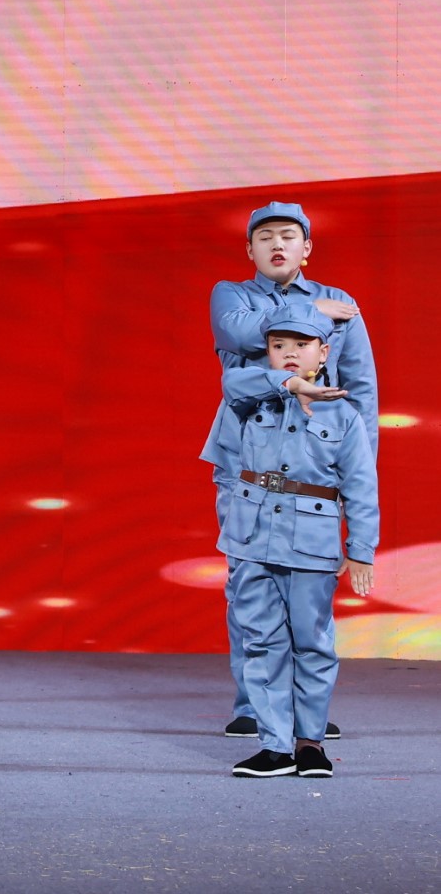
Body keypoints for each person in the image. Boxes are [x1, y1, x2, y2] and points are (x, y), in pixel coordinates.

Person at [201, 202, 377, 741]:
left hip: (316, 459)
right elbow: (237, 335)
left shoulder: (342, 300)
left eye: (288, 236)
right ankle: (254, 707)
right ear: (249, 250)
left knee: (309, 597)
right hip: (244, 458)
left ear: (307, 248)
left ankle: (305, 716)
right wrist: (315, 310)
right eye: (265, 237)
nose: (277, 244)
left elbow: (360, 386)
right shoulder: (233, 295)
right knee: (248, 585)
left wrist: (358, 468)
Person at [216, 303, 377, 778]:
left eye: (301, 345)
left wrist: (360, 551)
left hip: (311, 542)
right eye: (278, 344)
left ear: (323, 352)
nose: (289, 352)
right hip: (251, 539)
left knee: (312, 643)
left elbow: (361, 487)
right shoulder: (252, 396)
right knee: (261, 642)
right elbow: (233, 382)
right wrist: (289, 385)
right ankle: (274, 746)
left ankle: (309, 744)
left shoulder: (343, 414)